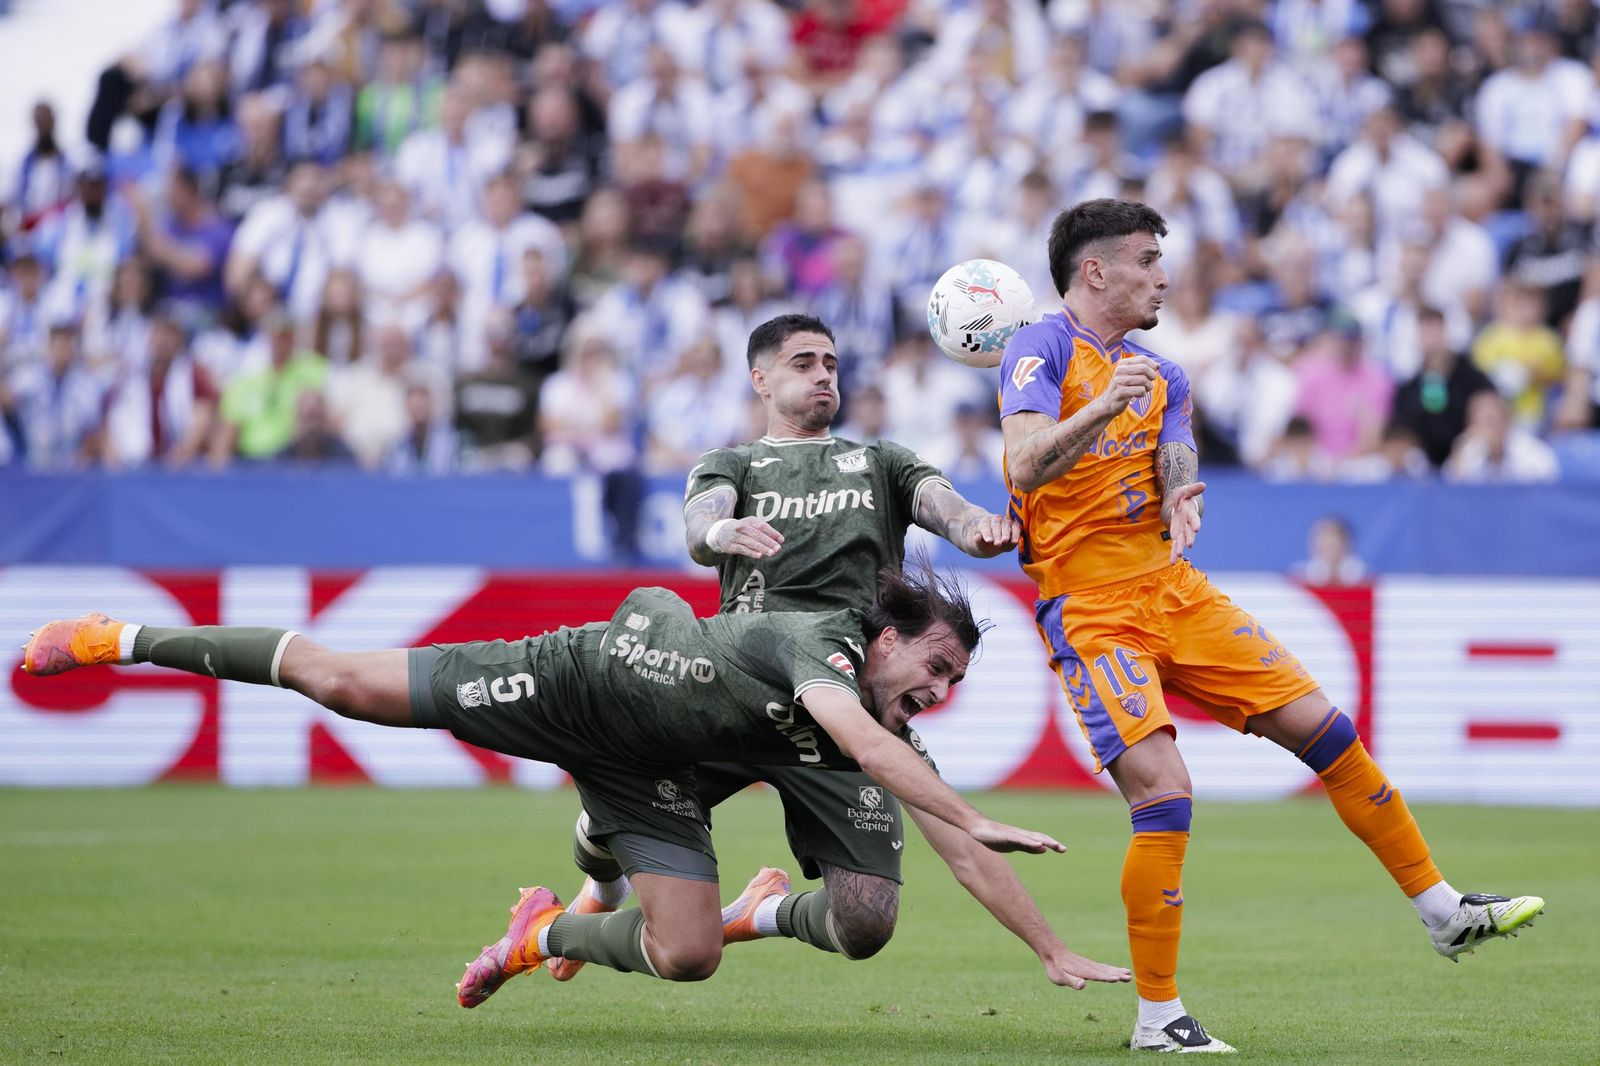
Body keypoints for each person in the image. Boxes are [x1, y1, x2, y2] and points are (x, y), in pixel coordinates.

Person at [998, 198, 1544, 1054]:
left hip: (1174, 589)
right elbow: (1024, 462)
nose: (1162, 276)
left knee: (1329, 733)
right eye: (1145, 260)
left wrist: (1180, 487)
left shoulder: (1164, 373)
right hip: (1093, 607)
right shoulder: (1041, 347)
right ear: (1094, 270)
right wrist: (1104, 407)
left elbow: (1174, 443)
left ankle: (1441, 909)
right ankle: (1157, 1018)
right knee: (1164, 792)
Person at [21, 566, 1085, 1004]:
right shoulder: (822, 646)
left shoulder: (877, 713)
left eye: (953, 680)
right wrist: (971, 804)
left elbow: (951, 845)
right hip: (574, 682)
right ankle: (124, 634)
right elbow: (864, 734)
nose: (940, 691)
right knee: (342, 681)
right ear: (885, 637)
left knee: (690, 955)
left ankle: (545, 930)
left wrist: (1046, 948)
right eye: (936, 668)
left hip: (650, 770)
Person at [533, 313, 1129, 997]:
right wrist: (723, 530)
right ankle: (600, 881)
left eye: (831, 363)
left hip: (844, 697)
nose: (823, 374)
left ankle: (754, 913)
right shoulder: (733, 464)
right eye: (804, 362)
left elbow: (950, 511)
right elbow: (700, 527)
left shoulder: (883, 461)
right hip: (739, 690)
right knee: (614, 806)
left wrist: (978, 529)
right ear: (760, 379)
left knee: (867, 924)